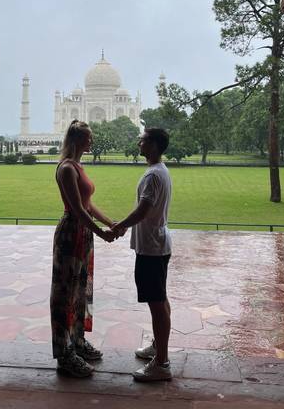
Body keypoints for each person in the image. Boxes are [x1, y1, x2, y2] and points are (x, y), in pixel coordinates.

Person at [50, 119, 116, 378]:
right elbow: (77, 209)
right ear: (77, 140)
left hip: (82, 231)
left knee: (80, 288)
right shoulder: (67, 168)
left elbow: (88, 204)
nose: (92, 141)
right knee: (65, 292)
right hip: (70, 233)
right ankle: (64, 354)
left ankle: (76, 341)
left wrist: (112, 223)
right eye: (89, 138)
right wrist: (102, 233)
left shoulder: (78, 166)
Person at [112, 127, 172, 381]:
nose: (139, 143)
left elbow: (143, 210)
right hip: (157, 243)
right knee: (160, 300)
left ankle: (162, 363)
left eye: (144, 140)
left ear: (155, 145)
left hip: (151, 246)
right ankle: (158, 348)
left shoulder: (153, 176)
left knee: (157, 304)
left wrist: (120, 225)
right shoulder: (160, 170)